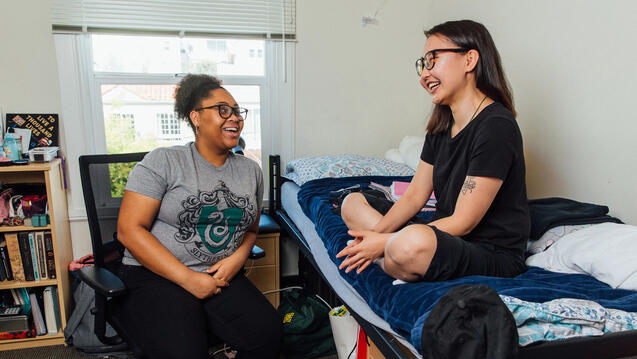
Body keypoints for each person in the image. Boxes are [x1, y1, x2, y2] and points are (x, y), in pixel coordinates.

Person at [337, 20, 530, 283]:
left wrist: (383, 242)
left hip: (488, 251)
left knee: (412, 243)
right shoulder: (441, 127)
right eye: (422, 64)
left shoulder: (496, 125)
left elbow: (464, 222)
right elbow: (414, 196)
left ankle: (395, 257)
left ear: (469, 60)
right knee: (352, 203)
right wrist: (374, 239)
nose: (423, 75)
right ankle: (392, 259)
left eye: (433, 60)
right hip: (444, 238)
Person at [115, 74, 282, 358]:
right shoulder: (164, 161)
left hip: (219, 276)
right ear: (195, 117)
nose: (235, 118)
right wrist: (188, 279)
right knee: (186, 349)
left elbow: (251, 231)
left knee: (270, 336)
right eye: (222, 110)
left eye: (238, 111)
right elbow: (129, 230)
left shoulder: (250, 170)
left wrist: (235, 260)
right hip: (156, 276)